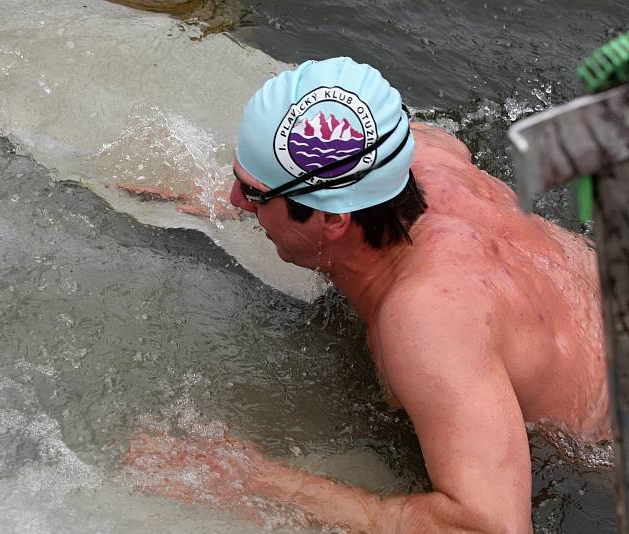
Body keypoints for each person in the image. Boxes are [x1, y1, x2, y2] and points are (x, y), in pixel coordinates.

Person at [126, 57, 608, 533]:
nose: (233, 200)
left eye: (251, 195)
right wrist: (238, 198)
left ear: (332, 221)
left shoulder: (430, 315)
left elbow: (490, 527)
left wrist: (251, 480)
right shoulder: (416, 151)